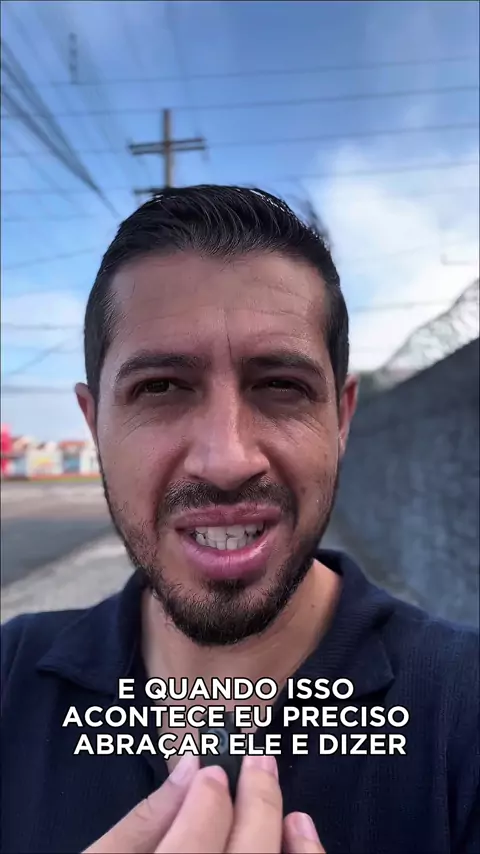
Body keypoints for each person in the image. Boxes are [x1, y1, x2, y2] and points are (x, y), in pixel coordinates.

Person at [1, 185, 478, 854]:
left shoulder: (464, 706)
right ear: (94, 421)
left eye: (281, 386)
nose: (226, 461)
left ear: (341, 418)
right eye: (160, 387)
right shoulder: (10, 677)